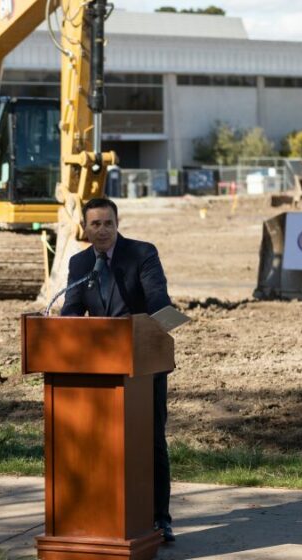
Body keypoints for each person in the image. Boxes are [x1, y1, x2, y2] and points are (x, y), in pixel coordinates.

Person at [60, 197, 174, 543]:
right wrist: (63, 334)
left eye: (108, 223)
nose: (103, 231)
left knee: (150, 442)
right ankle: (107, 513)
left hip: (143, 365)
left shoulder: (142, 253)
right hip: (101, 369)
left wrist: (149, 323)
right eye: (95, 224)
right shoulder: (81, 263)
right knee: (102, 446)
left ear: (117, 223)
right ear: (86, 228)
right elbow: (71, 310)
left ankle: (160, 517)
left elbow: (157, 299)